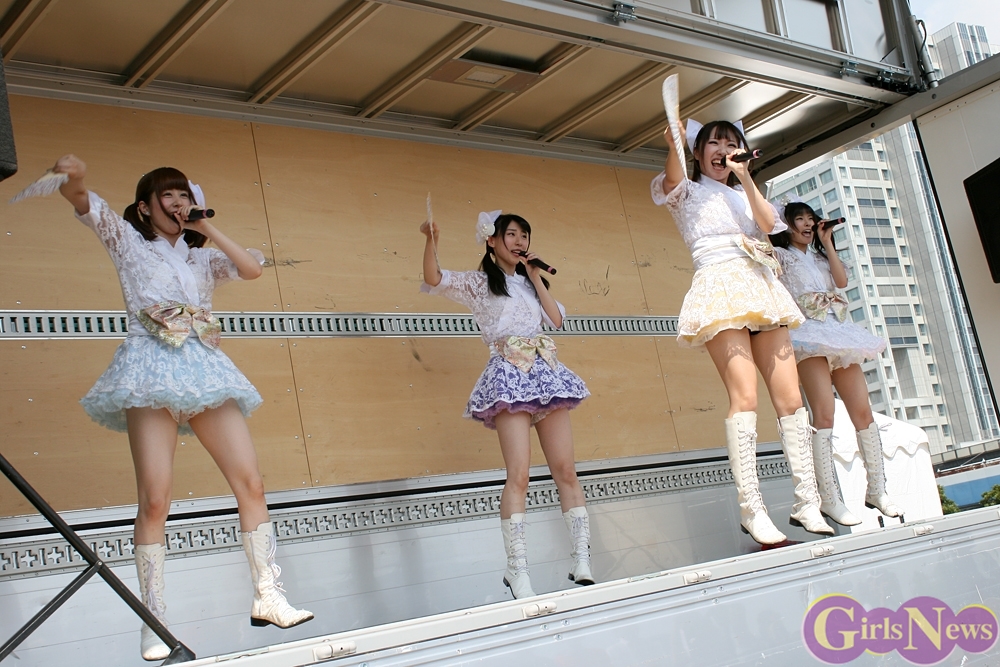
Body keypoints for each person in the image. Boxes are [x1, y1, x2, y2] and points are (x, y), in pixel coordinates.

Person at [53, 155, 312, 661]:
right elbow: (83, 203)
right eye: (167, 196)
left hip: (204, 367)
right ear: (144, 208)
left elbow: (252, 269)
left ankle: (268, 595)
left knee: (251, 482)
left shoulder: (202, 258)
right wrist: (76, 179)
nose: (177, 203)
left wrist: (205, 228)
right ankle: (154, 619)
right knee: (155, 498)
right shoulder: (128, 242)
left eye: (184, 196)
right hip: (149, 367)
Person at [650, 119, 833, 545]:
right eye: (713, 142)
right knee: (745, 396)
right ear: (697, 152)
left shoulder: (742, 191)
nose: (723, 149)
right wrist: (673, 144)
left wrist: (745, 176)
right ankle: (752, 509)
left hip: (762, 286)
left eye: (732, 143)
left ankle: (807, 501)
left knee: (790, 399)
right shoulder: (686, 190)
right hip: (720, 286)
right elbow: (672, 176)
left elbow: (769, 224)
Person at [419, 210, 593, 598]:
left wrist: (535, 276)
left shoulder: (531, 282)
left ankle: (582, 558)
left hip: (545, 373)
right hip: (509, 375)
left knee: (565, 469)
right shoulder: (480, 283)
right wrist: (431, 240)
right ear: (492, 241)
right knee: (520, 474)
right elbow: (434, 278)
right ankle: (517, 570)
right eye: (511, 234)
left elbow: (556, 319)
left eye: (524, 236)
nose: (519, 242)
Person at [771, 201, 903, 524]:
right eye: (799, 219)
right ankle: (828, 497)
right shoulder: (781, 256)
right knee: (824, 414)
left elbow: (841, 281)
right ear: (786, 224)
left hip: (839, 331)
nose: (807, 224)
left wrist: (827, 242)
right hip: (807, 333)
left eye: (810, 218)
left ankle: (878, 489)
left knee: (863, 412)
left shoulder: (820, 257)